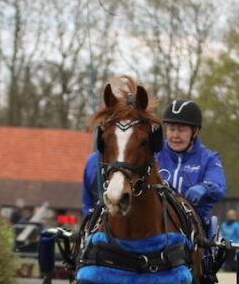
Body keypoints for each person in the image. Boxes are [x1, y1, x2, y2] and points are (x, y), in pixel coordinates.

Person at [82, 98, 226, 230]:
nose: (175, 135)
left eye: (181, 130)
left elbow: (218, 184)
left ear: (195, 132)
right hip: (153, 225)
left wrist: (205, 188)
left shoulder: (209, 159)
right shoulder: (152, 152)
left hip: (195, 227)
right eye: (171, 129)